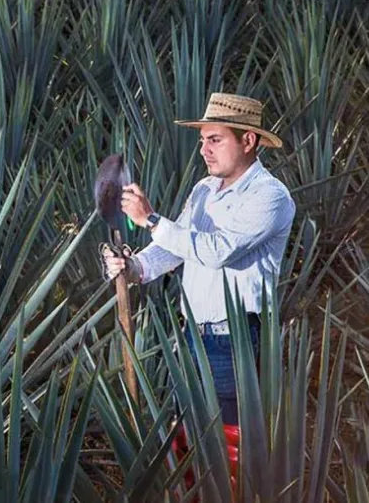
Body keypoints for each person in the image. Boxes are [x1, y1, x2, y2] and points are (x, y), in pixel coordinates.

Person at [102, 92, 296, 425]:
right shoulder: (205, 189)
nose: (204, 150)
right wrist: (133, 268)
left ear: (248, 140)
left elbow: (216, 251)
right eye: (203, 140)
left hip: (235, 343)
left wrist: (150, 219)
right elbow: (178, 246)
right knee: (192, 438)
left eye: (215, 140)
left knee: (230, 441)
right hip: (191, 335)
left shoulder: (270, 196)